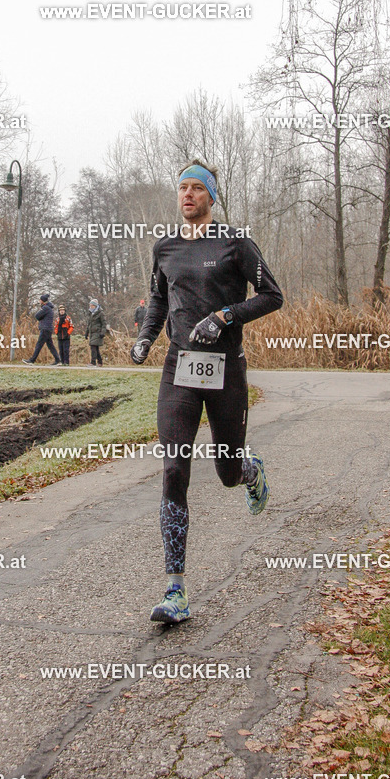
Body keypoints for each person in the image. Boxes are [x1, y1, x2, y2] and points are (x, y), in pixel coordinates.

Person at [130, 160, 283, 625]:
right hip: (179, 367)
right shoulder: (166, 248)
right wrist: (145, 338)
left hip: (225, 371)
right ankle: (175, 589)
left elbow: (272, 295)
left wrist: (224, 317)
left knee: (225, 471)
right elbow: (158, 299)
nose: (188, 195)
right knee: (174, 467)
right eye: (183, 188)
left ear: (211, 197)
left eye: (197, 188)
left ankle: (248, 471)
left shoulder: (236, 244)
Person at [23, 293, 61, 365]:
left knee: (39, 344)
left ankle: (32, 360)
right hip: (48, 329)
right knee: (50, 345)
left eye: (40, 300)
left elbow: (37, 316)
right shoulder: (49, 308)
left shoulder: (45, 308)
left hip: (45, 329)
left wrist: (40, 317)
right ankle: (58, 359)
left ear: (43, 301)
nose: (39, 301)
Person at [85, 298, 107, 366]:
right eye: (90, 305)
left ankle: (93, 362)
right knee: (95, 348)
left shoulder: (101, 313)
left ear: (95, 306)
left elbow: (104, 323)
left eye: (91, 305)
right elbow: (89, 324)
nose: (90, 307)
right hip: (92, 332)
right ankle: (100, 362)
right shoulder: (90, 313)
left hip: (98, 332)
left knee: (93, 346)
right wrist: (87, 332)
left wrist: (103, 332)